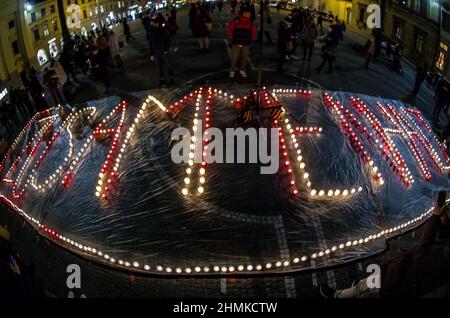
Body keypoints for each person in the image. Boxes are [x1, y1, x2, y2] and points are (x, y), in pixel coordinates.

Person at [320, 191, 450, 298]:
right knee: (368, 287)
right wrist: (444, 223)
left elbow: (424, 251)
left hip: (400, 278)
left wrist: (435, 217)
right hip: (405, 276)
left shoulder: (443, 259)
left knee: (366, 287)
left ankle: (337, 295)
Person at [227, 6, 257, 79]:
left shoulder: (250, 23)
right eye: (246, 13)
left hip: (246, 44)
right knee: (234, 57)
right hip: (236, 43)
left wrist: (251, 39)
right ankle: (232, 71)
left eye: (249, 13)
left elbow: (253, 32)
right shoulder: (236, 21)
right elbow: (229, 30)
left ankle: (242, 70)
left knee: (244, 57)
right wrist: (232, 38)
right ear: (242, 13)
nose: (247, 14)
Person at [149, 16, 174, 88]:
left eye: (153, 23)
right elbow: (151, 44)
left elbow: (168, 41)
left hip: (164, 52)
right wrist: (151, 54)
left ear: (157, 23)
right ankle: (162, 81)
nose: (151, 24)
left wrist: (166, 50)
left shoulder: (163, 31)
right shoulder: (152, 33)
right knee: (160, 68)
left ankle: (171, 77)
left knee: (168, 65)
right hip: (156, 53)